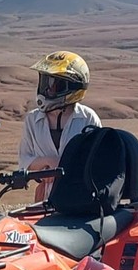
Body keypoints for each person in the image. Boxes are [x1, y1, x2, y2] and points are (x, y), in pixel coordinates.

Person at [18, 52, 101, 200]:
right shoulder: (32, 119)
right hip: (44, 199)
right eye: (45, 83)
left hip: (81, 200)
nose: (48, 90)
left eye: (55, 85)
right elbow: (24, 161)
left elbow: (97, 163)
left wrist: (62, 166)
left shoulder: (88, 119)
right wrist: (47, 163)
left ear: (73, 87)